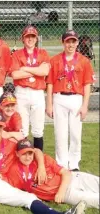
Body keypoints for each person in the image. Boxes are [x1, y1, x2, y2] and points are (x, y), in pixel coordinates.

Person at [0, 111, 86, 214]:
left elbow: (35, 150)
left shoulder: (11, 145)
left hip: (3, 184)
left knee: (29, 198)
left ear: (3, 127)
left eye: (0, 126)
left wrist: (42, 166)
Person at [46, 30, 95, 170]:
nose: (71, 44)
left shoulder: (84, 61)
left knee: (75, 133)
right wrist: (49, 104)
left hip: (76, 98)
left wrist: (85, 105)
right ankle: (61, 162)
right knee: (60, 133)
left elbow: (87, 84)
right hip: (59, 97)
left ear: (77, 43)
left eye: (73, 41)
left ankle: (74, 163)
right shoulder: (55, 60)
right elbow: (49, 83)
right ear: (63, 43)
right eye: (68, 41)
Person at [8, 138, 98, 209]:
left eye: (30, 153)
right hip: (67, 194)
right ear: (17, 154)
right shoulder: (15, 171)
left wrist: (41, 166)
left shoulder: (43, 159)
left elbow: (66, 173)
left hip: (73, 178)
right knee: (95, 200)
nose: (27, 158)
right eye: (24, 154)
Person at [10, 25, 50, 151]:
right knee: (23, 128)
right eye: (28, 36)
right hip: (22, 92)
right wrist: (37, 71)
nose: (30, 39)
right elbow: (15, 74)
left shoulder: (43, 53)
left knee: (38, 129)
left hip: (37, 93)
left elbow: (45, 71)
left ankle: (38, 161)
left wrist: (25, 69)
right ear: (23, 38)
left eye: (33, 36)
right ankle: (24, 160)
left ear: (36, 38)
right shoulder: (17, 54)